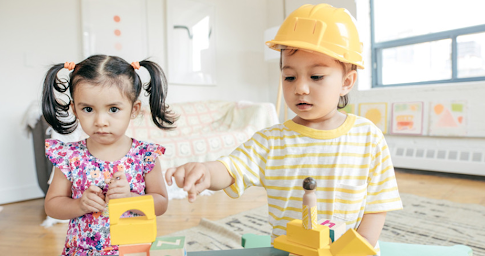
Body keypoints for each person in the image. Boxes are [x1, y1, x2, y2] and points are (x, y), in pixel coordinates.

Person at [165, 3, 402, 254]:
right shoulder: (271, 140)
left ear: (346, 82)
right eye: (290, 77)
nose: (300, 88)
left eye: (316, 76)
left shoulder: (368, 137)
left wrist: (359, 249)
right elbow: (232, 168)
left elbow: (377, 205)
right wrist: (206, 172)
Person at [43, 55, 176, 255]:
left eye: (113, 109)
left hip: (134, 250)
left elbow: (161, 204)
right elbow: (52, 206)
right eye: (88, 109)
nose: (101, 121)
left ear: (134, 109)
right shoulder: (69, 156)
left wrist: (130, 197)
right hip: (83, 250)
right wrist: (79, 205)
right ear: (75, 110)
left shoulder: (144, 156)